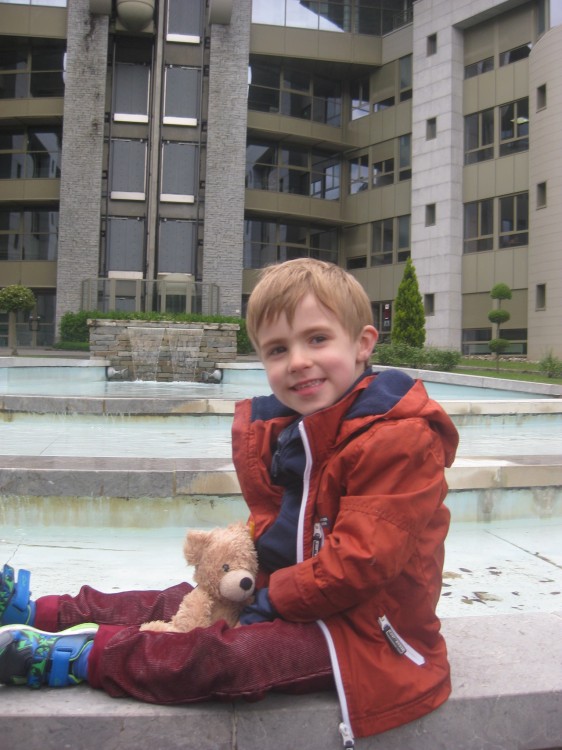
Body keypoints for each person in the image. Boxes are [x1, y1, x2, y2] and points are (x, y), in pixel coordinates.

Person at [0, 258, 459, 746]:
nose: (298, 360)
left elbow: (360, 563)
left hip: (362, 634)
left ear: (363, 344)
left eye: (317, 339)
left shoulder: (398, 441)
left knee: (230, 658)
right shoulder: (301, 429)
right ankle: (37, 611)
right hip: (295, 595)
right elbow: (286, 528)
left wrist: (269, 599)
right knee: (182, 597)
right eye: (278, 349)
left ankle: (83, 656)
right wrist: (239, 564)